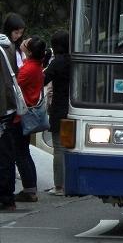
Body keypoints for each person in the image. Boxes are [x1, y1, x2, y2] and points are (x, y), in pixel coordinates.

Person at [12, 35, 46, 203]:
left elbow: (15, 87)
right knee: (24, 152)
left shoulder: (28, 69)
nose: (23, 41)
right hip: (28, 113)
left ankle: (29, 189)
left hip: (21, 115)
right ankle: (31, 188)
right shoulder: (36, 65)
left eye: (27, 42)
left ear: (30, 51)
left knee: (20, 154)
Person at [43, 30, 70, 196]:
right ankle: (71, 183)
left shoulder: (57, 62)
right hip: (75, 108)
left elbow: (43, 79)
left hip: (59, 108)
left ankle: (59, 186)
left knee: (59, 148)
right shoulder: (75, 60)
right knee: (71, 148)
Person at [0, 34, 18, 211]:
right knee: (7, 154)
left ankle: (5, 196)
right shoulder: (8, 47)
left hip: (2, 109)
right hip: (8, 108)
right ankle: (8, 197)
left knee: (4, 155)